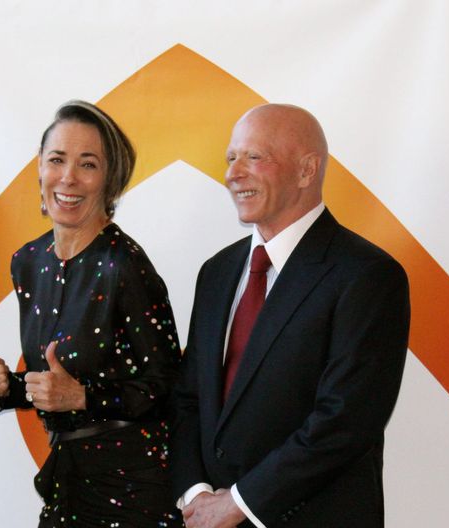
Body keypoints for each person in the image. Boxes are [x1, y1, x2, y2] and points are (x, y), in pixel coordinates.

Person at [171, 104, 411, 528]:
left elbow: (345, 422)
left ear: (306, 171)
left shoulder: (367, 276)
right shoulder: (217, 272)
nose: (233, 173)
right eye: (231, 158)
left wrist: (239, 504)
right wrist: (197, 494)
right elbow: (189, 398)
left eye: (254, 157)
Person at [0, 100, 183, 527]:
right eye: (57, 160)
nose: (68, 177)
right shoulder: (28, 261)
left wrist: (84, 396)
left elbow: (169, 388)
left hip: (134, 491)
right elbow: (55, 383)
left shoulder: (126, 266)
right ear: (39, 167)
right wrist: (6, 387)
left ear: (110, 180)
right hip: (66, 480)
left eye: (88, 164)